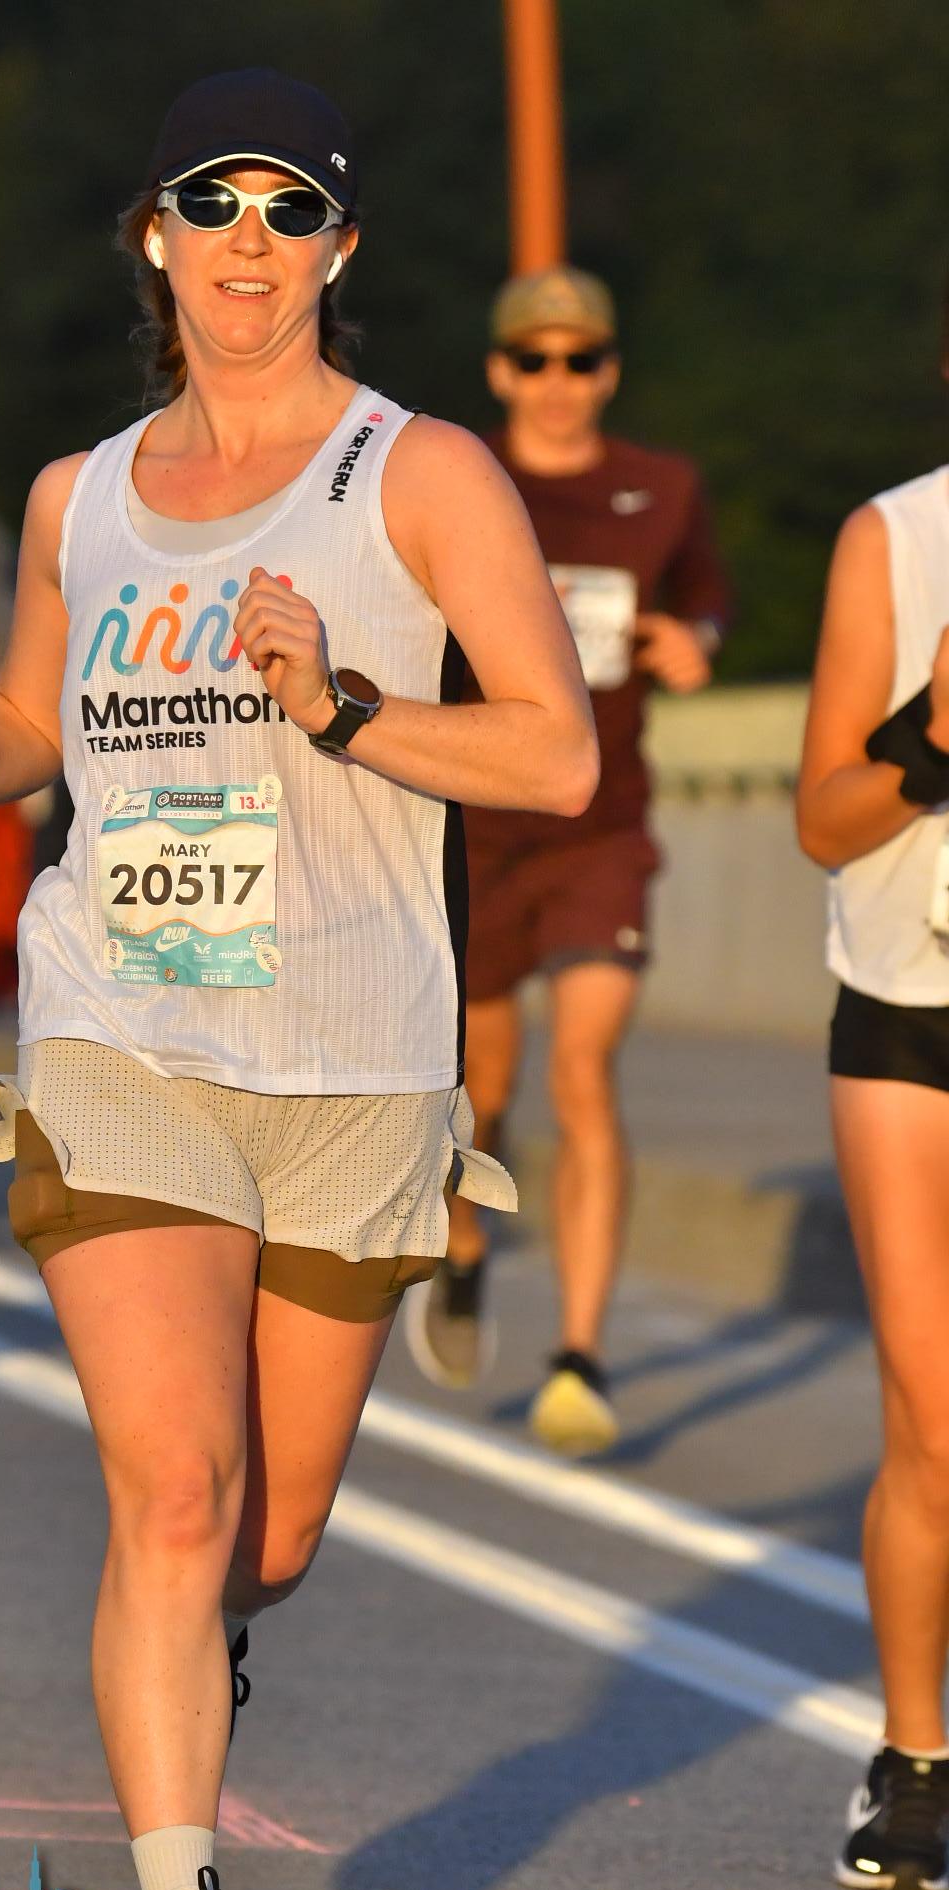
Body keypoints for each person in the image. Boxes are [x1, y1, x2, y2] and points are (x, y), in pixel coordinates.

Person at [0, 70, 596, 1890]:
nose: (247, 240)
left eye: (286, 208)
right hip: (124, 1025)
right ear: (154, 237)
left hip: (353, 1053)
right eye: (211, 203)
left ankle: (205, 1647)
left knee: (270, 1527)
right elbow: (29, 723)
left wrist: (341, 702)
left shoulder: (421, 475)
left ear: (338, 246)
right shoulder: (82, 495)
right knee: (170, 1487)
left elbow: (554, 755)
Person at [408, 268, 731, 1455]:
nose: (557, 382)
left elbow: (703, 604)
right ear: (499, 371)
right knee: (482, 1084)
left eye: (580, 359)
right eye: (534, 359)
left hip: (601, 826)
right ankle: (462, 1245)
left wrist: (692, 641)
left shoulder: (662, 489)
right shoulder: (453, 479)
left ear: (608, 371)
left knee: (584, 1069)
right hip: (478, 827)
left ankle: (578, 1357)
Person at [796, 292, 949, 1890]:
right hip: (913, 1009)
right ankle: (916, 1757)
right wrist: (932, 737)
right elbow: (823, 820)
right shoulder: (896, 540)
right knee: (937, 1415)